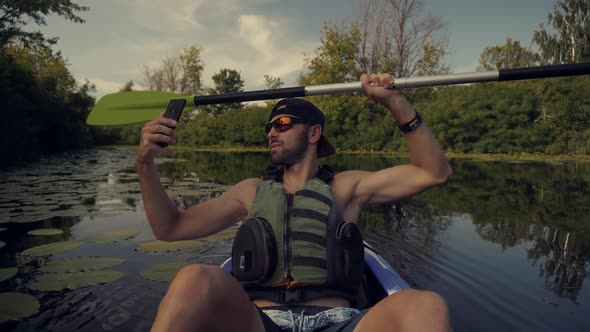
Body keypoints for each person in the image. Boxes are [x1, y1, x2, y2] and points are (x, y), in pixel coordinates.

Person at [135, 73, 453, 332]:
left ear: (313, 133)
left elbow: (432, 172)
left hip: (340, 324)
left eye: (282, 124)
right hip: (260, 323)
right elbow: (170, 227)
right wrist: (145, 165)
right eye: (270, 127)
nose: (272, 132)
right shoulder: (250, 191)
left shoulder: (348, 186)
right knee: (194, 278)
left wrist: (395, 101)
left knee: (427, 305)